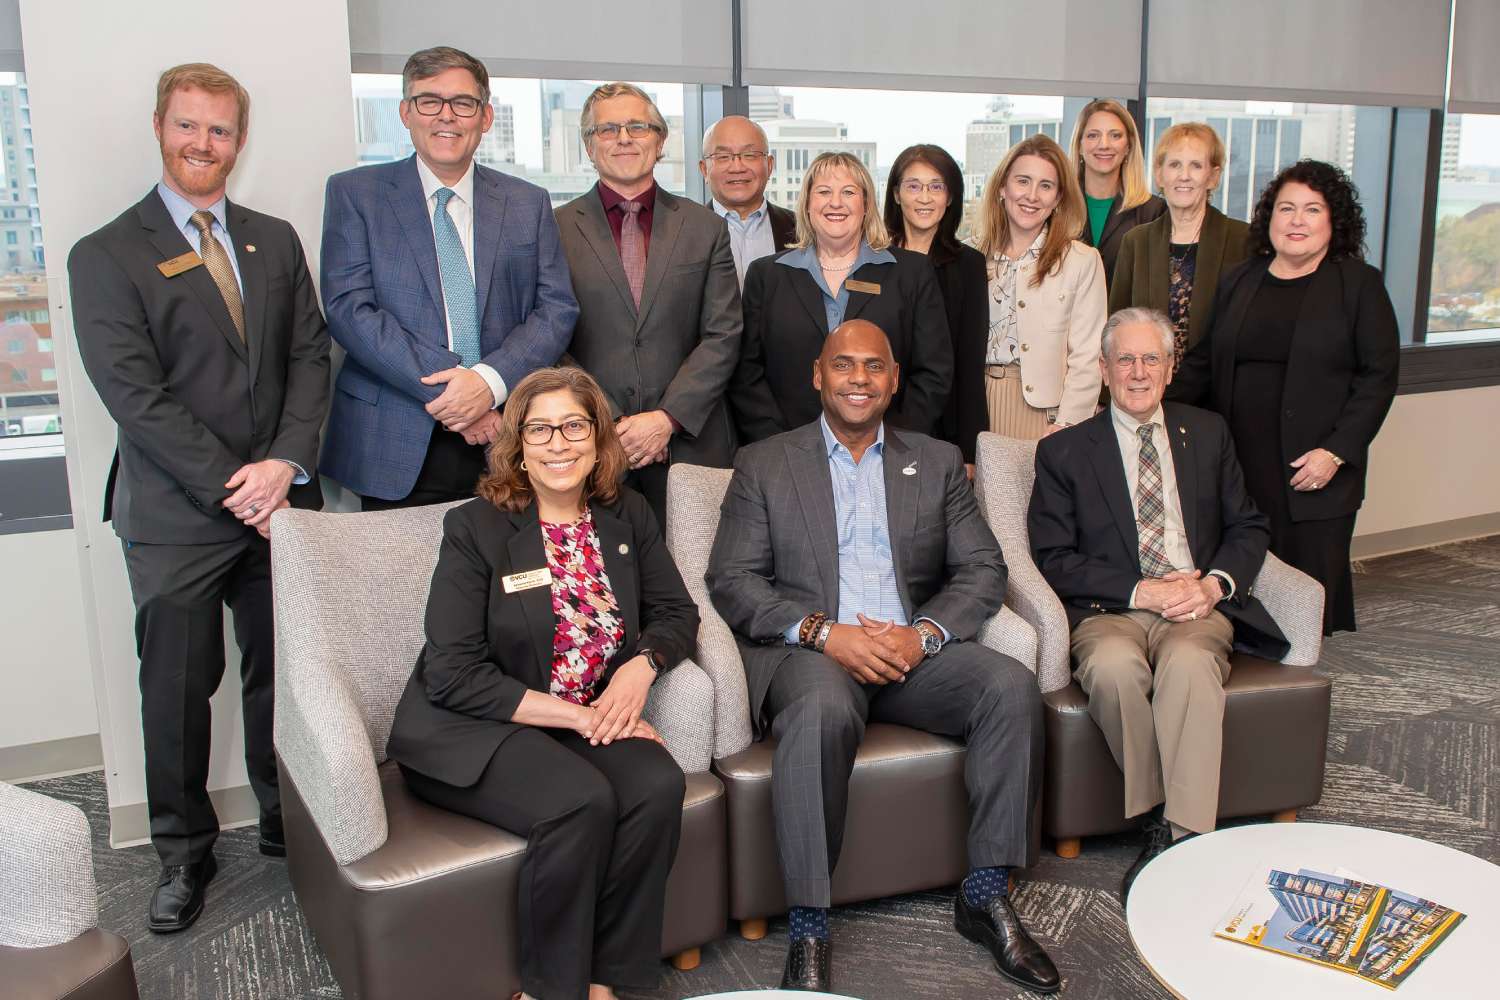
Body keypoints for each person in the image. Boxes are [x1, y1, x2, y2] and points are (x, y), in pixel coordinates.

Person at [708, 320, 1058, 995]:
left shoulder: (934, 460)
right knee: (818, 709)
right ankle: (809, 924)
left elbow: (984, 568)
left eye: (874, 367)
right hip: (815, 655)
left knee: (1010, 686)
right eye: (845, 365)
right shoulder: (765, 462)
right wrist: (821, 631)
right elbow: (733, 579)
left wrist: (922, 634)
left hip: (909, 654)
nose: (859, 379)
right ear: (818, 375)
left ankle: (985, 894)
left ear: (895, 379)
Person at [67, 63, 331, 932]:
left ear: (239, 140)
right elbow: (133, 396)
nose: (203, 145)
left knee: (286, 682)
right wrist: (236, 484)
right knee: (178, 694)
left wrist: (284, 465)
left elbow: (308, 359)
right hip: (176, 517)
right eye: (188, 126)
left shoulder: (273, 238)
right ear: (159, 127)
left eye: (219, 130)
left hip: (281, 509)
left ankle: (289, 822)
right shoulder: (106, 253)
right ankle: (183, 855)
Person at [385, 366, 696, 1000]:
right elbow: (452, 672)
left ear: (599, 437)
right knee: (581, 800)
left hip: (578, 717)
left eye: (574, 426)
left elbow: (676, 613)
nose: (559, 443)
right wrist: (585, 719)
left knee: (659, 783)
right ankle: (551, 989)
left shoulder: (627, 514)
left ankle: (613, 979)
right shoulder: (476, 529)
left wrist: (640, 670)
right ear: (518, 445)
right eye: (541, 429)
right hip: (475, 724)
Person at [1028, 308, 1288, 904]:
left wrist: (1214, 586)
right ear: (1103, 369)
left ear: (1170, 369)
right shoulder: (1065, 452)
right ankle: (1156, 810)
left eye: (1151, 359)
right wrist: (1141, 591)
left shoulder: (1208, 433)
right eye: (1125, 359)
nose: (1138, 372)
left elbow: (1248, 526)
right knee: (1115, 671)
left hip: (1194, 606)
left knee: (1191, 667)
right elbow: (1053, 556)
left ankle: (1182, 836)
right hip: (1109, 610)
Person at [320, 46, 577, 509]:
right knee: (398, 582)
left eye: (463, 103)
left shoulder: (527, 202)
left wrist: (488, 383)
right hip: (394, 435)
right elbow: (349, 310)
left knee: (514, 578)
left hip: (506, 432)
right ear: (405, 112)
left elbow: (556, 309)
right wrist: (458, 393)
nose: (447, 116)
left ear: (485, 116)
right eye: (429, 101)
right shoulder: (355, 194)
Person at [1169, 161, 1400, 634]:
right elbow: (1204, 362)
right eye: (1286, 208)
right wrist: (1142, 408)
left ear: (1333, 222)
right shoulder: (1241, 279)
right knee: (1238, 583)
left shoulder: (1358, 285)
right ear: (1269, 217)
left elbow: (1378, 377)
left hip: (1311, 469)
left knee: (1305, 597)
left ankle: (1296, 690)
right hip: (1238, 465)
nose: (1297, 220)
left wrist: (1336, 452)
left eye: (1311, 210)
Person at [557, 83, 742, 525]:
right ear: (588, 145)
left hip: (690, 442)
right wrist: (610, 422)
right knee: (605, 583)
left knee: (697, 577)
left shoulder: (705, 227)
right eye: (608, 129)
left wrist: (665, 418)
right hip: (592, 442)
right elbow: (549, 337)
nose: (624, 138)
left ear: (660, 141)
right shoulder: (554, 228)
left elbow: (723, 334)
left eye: (637, 126)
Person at [731, 152, 952, 444]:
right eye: (824, 192)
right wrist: (781, 444)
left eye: (848, 192)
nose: (836, 202)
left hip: (889, 450)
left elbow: (933, 372)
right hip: (787, 450)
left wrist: (893, 440)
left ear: (866, 205)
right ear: (808, 204)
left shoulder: (911, 273)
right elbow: (746, 373)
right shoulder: (767, 275)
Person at [971, 134, 1106, 440]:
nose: (1032, 196)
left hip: (1047, 417)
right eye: (1023, 181)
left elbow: (1087, 355)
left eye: (1046, 186)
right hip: (978, 407)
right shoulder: (971, 257)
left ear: (1058, 198)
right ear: (1003, 188)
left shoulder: (1081, 261)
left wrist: (1068, 425)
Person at [882, 144, 989, 463]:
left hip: (947, 428)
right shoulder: (873, 260)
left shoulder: (969, 265)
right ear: (897, 194)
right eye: (913, 186)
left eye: (936, 187)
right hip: (879, 419)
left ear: (951, 196)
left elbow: (971, 363)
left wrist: (969, 452)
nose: (925, 197)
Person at [1110, 123, 1249, 361]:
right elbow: (1116, 327)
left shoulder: (1242, 240)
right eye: (1175, 165)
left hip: (1216, 392)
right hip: (1148, 389)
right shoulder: (1136, 242)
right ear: (1159, 175)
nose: (1184, 176)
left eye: (1196, 165)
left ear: (1213, 176)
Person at [1068, 98, 1165, 288]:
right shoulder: (1058, 207)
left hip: (1127, 317)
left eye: (1115, 135)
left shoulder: (1153, 212)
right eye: (1093, 135)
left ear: (1128, 146)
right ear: (1079, 145)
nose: (1104, 144)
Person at [700, 114, 796, 286]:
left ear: (769, 165)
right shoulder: (684, 233)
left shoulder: (803, 229)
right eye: (723, 156)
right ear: (704, 170)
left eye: (750, 155)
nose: (737, 167)